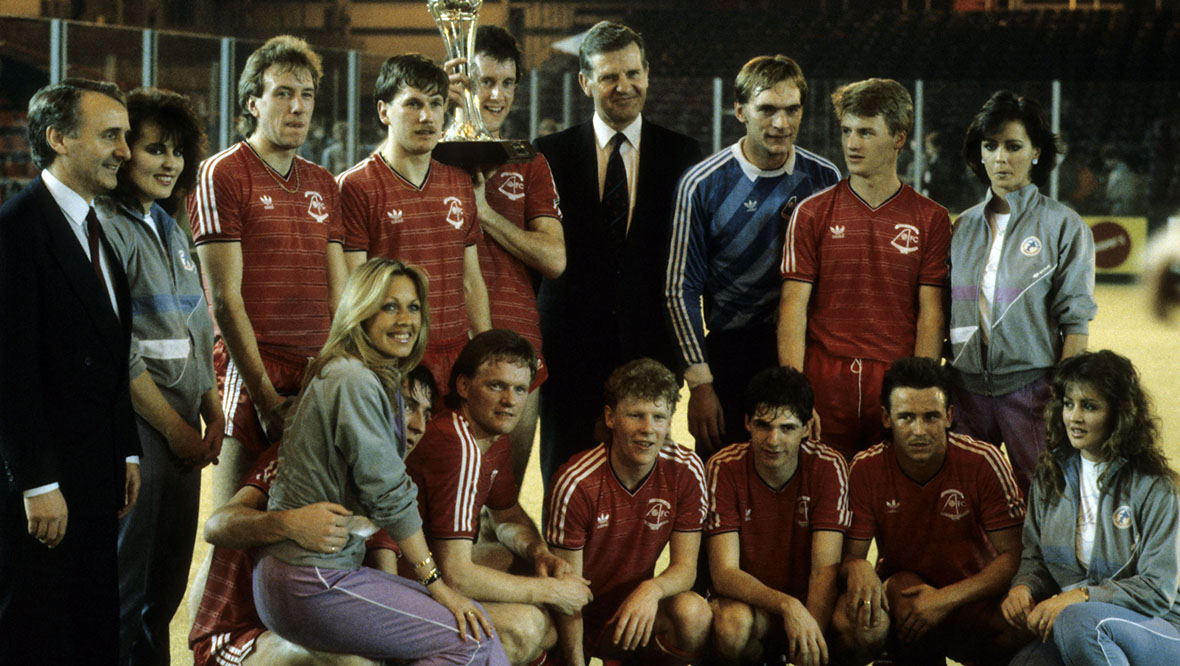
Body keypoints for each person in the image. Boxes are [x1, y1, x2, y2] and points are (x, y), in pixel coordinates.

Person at [252, 257, 508, 665]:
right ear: (361, 311)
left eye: (413, 307)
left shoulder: (371, 376)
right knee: (471, 641)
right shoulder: (350, 377)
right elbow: (389, 492)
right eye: (389, 306)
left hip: (320, 574)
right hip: (308, 579)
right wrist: (435, 583)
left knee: (481, 636)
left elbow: (375, 498)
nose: (405, 319)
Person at [0, 78, 142, 664]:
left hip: (94, 478)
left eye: (126, 136)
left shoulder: (95, 227)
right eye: (111, 136)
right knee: (35, 637)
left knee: (92, 631)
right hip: (46, 491)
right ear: (58, 138)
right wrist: (38, 483)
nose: (126, 152)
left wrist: (127, 451)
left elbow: (109, 351)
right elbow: (10, 374)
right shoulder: (16, 230)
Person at [534, 21, 702, 489]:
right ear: (585, 81)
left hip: (650, 357)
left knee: (644, 499)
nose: (624, 86)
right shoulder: (547, 155)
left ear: (648, 73)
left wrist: (682, 361)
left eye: (633, 73)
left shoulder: (684, 155)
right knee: (564, 488)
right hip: (568, 359)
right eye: (609, 76)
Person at [93, 87, 224, 665]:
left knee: (165, 593)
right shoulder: (106, 229)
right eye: (154, 149)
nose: (169, 162)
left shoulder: (169, 227)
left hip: (184, 432)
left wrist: (213, 405)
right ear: (125, 155)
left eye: (177, 151)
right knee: (123, 590)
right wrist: (174, 429)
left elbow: (197, 329)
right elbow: (119, 356)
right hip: (146, 428)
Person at [188, 35, 347, 510]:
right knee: (232, 529)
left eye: (307, 95)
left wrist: (329, 370)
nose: (298, 108)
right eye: (283, 93)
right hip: (249, 370)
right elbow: (224, 298)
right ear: (252, 102)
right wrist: (263, 398)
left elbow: (340, 296)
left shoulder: (323, 181)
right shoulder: (223, 173)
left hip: (315, 370)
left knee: (299, 525)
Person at [189, 367, 439, 666]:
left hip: (306, 621)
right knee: (353, 662)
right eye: (408, 406)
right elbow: (216, 526)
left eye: (426, 413)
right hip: (238, 633)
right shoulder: (301, 457)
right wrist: (291, 523)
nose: (418, 426)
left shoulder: (387, 482)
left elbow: (385, 581)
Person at [666, 54, 839, 456]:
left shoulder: (824, 178)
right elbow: (680, 289)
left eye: (791, 109)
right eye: (767, 109)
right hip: (731, 354)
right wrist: (701, 383)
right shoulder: (701, 184)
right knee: (726, 480)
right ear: (740, 110)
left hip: (805, 350)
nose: (781, 123)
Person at [778, 78, 950, 460]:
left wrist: (917, 393)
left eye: (867, 132)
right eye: (847, 131)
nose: (852, 144)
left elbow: (931, 314)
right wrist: (796, 393)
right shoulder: (812, 213)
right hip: (825, 380)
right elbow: (793, 309)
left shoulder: (931, 218)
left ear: (898, 138)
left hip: (893, 380)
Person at [405, 329, 593, 665]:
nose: (510, 400)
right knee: (529, 625)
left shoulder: (491, 437)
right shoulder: (457, 444)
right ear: (463, 387)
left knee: (537, 597)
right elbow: (456, 574)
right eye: (496, 386)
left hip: (426, 569)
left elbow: (506, 515)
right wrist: (550, 591)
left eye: (520, 389)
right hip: (403, 578)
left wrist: (539, 552)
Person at [949, 90, 1097, 498]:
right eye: (990, 146)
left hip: (1032, 393)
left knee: (1044, 497)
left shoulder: (1064, 227)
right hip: (965, 394)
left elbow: (1076, 323)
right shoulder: (960, 229)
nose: (1000, 158)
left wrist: (1063, 400)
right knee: (964, 501)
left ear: (1036, 153)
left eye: (1013, 146)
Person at [833, 356, 1027, 666]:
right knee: (867, 610)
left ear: (950, 416)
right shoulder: (865, 468)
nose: (919, 430)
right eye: (906, 417)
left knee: (1026, 616)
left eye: (931, 416)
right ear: (886, 418)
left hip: (975, 596)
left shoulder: (983, 461)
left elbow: (1014, 558)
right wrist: (858, 566)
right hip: (911, 598)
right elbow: (851, 558)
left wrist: (944, 600)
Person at [1003, 350, 1180, 665]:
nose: (1074, 417)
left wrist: (1080, 596)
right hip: (1078, 624)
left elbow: (1158, 589)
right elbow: (1035, 559)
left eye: (1090, 406)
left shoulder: (1154, 486)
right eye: (1069, 404)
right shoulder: (1050, 476)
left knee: (1079, 622)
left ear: (1119, 414)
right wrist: (1023, 587)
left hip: (1161, 626)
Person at [453, 25, 566, 488]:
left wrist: (487, 216)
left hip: (519, 355)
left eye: (507, 84)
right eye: (484, 82)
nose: (496, 96)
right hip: (447, 349)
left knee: (502, 502)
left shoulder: (529, 163)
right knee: (439, 507)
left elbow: (555, 259)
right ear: (461, 83)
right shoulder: (430, 157)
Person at [338, 53, 491, 392]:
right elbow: (352, 293)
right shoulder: (356, 186)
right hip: (391, 361)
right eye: (412, 104)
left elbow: (471, 281)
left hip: (455, 358)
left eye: (436, 104)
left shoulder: (458, 183)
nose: (427, 116)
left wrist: (484, 355)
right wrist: (371, 368)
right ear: (383, 112)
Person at [545, 359, 711, 666]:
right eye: (636, 415)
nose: (648, 429)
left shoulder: (687, 470)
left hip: (634, 612)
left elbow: (686, 568)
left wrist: (652, 589)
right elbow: (568, 596)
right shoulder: (576, 482)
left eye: (658, 417)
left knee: (694, 613)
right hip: (572, 619)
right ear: (611, 417)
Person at [705, 366, 850, 666]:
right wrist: (787, 605)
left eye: (787, 428)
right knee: (732, 626)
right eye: (763, 425)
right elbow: (724, 573)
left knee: (862, 622)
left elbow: (824, 570)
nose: (773, 440)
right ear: (747, 422)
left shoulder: (828, 466)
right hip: (753, 605)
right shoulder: (723, 466)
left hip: (810, 604)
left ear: (807, 428)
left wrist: (809, 640)